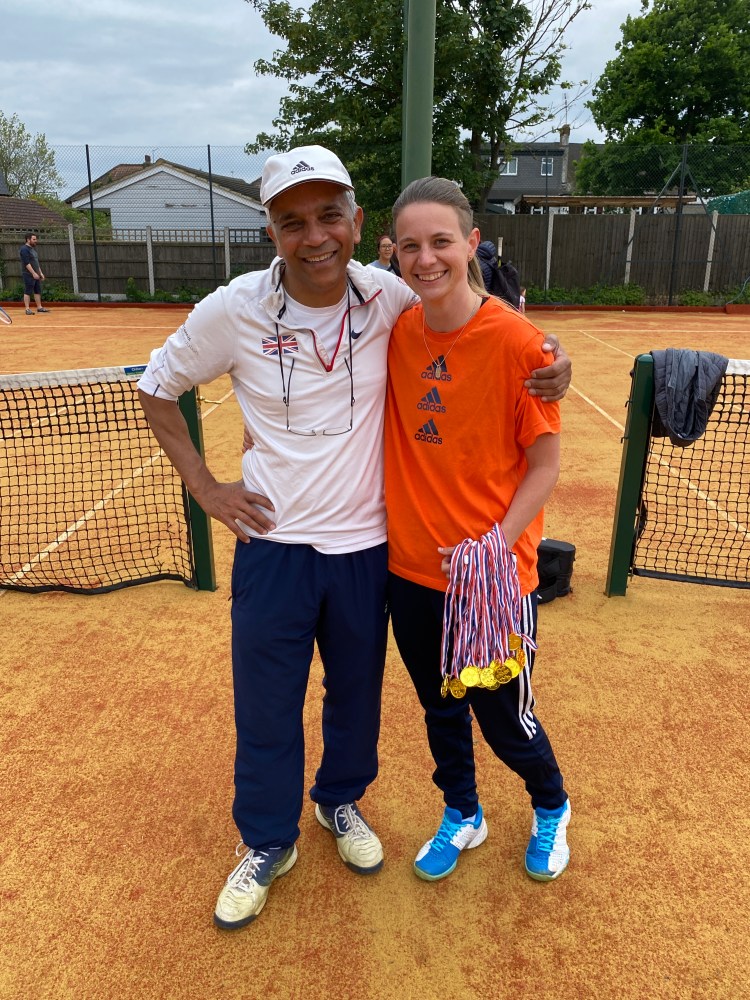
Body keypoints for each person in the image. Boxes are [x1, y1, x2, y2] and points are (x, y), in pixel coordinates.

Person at [137, 146, 572, 932]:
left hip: (370, 550)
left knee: (357, 700)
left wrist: (552, 359)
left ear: (356, 221)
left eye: (329, 215)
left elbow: (476, 309)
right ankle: (268, 841)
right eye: (292, 221)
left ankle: (339, 802)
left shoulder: (390, 296)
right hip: (274, 547)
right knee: (267, 706)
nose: (314, 236)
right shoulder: (232, 310)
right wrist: (206, 488)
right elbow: (156, 389)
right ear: (271, 231)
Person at [384, 176, 570, 885]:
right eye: (410, 246)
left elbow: (545, 466)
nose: (426, 259)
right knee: (440, 709)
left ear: (472, 244)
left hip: (492, 580)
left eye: (441, 242)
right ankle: (462, 811)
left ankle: (551, 803)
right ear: (393, 252)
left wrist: (493, 545)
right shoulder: (395, 330)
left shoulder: (521, 344)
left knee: (503, 718)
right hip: (411, 572)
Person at [19, 233, 50, 315]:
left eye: (36, 239)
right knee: (28, 290)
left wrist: (40, 273)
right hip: (28, 274)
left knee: (37, 290)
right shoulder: (24, 249)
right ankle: (27, 309)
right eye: (34, 239)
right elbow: (26, 263)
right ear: (28, 240)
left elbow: (36, 263)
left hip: (36, 274)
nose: (36, 241)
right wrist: (33, 273)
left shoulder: (33, 250)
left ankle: (39, 307)